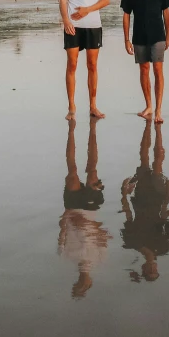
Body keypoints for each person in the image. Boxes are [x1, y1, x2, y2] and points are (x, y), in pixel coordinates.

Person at [58, 117, 112, 298]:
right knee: (92, 170)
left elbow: (62, 231)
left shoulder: (66, 256)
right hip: (90, 210)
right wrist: (88, 227)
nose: (81, 279)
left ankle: (72, 131)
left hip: (72, 209)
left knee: (72, 173)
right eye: (83, 283)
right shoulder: (101, 259)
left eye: (78, 283)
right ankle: (92, 130)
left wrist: (67, 216)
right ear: (89, 281)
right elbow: (105, 234)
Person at [58, 0, 110, 120]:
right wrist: (66, 21)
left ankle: (93, 106)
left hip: (93, 24)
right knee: (72, 65)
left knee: (92, 65)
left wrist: (87, 10)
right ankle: (72, 106)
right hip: (73, 25)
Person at [120, 120, 169, 282]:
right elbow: (164, 214)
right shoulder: (164, 247)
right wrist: (168, 191)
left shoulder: (132, 242)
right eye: (154, 271)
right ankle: (158, 132)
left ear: (143, 268)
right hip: (157, 198)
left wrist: (124, 194)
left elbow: (128, 214)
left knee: (144, 160)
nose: (152, 268)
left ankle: (150, 127)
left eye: (149, 271)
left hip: (141, 199)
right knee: (158, 164)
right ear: (157, 268)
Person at [121, 0, 169, 123]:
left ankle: (158, 110)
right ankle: (148, 105)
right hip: (139, 35)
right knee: (144, 69)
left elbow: (166, 13)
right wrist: (126, 39)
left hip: (158, 35)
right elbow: (126, 15)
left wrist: (168, 35)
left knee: (158, 70)